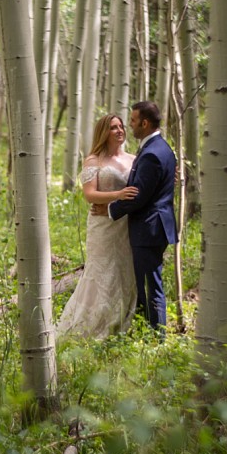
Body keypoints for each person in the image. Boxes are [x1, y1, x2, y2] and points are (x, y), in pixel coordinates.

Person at [56, 114, 139, 339]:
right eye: (113, 127)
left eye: (121, 126)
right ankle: (91, 322)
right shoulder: (94, 160)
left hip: (126, 225)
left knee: (125, 270)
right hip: (103, 225)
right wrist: (118, 195)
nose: (120, 130)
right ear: (104, 132)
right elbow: (89, 194)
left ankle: (122, 320)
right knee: (102, 271)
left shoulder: (134, 159)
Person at [105, 101, 178, 337]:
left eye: (134, 121)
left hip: (149, 229)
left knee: (150, 285)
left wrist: (110, 211)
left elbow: (138, 196)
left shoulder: (152, 154)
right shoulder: (161, 148)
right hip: (156, 226)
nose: (131, 126)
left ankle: (157, 338)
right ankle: (149, 332)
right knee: (149, 283)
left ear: (145, 123)